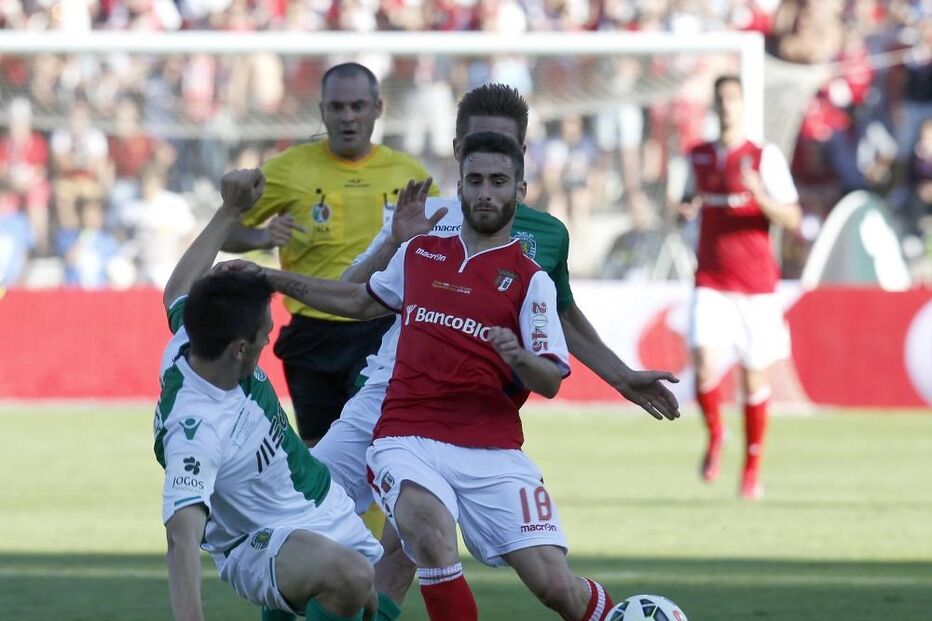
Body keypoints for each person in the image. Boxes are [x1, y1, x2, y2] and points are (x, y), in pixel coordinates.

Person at [312, 83, 681, 610]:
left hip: (476, 417)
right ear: (458, 150)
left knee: (406, 550)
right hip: (391, 394)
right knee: (308, 505)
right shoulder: (426, 216)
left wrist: (622, 376)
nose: (487, 164)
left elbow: (562, 317)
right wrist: (395, 239)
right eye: (475, 145)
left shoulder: (546, 235)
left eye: (503, 146)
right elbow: (356, 289)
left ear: (521, 159)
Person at [235, 131, 622, 621]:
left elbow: (549, 379)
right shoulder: (419, 253)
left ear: (520, 192)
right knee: (430, 535)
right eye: (474, 180)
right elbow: (355, 301)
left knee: (556, 587)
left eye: (498, 182)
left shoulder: (531, 280)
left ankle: (618, 614)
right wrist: (271, 278)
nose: (485, 192)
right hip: (406, 435)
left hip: (492, 449)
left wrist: (520, 359)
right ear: (459, 188)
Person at [155, 167, 399, 621]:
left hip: (313, 504)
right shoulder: (196, 428)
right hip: (257, 543)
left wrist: (230, 211)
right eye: (266, 333)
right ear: (240, 348)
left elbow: (176, 290)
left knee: (406, 539)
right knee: (353, 578)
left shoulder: (195, 336)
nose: (270, 339)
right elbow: (182, 538)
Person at [221, 62, 437, 447]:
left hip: (377, 325)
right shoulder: (288, 169)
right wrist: (261, 235)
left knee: (377, 444)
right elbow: (226, 231)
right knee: (321, 452)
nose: (348, 117)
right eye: (337, 107)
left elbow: (436, 248)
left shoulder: (408, 173)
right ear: (322, 111)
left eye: (358, 106)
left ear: (378, 108)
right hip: (313, 331)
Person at [678, 75, 802, 500]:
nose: (727, 106)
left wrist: (759, 196)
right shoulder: (698, 157)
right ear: (714, 106)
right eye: (721, 99)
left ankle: (752, 469)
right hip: (711, 278)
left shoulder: (763, 158)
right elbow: (684, 204)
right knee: (704, 360)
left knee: (753, 377)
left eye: (733, 98)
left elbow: (792, 219)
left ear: (744, 105)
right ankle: (716, 436)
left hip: (756, 285)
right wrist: (684, 208)